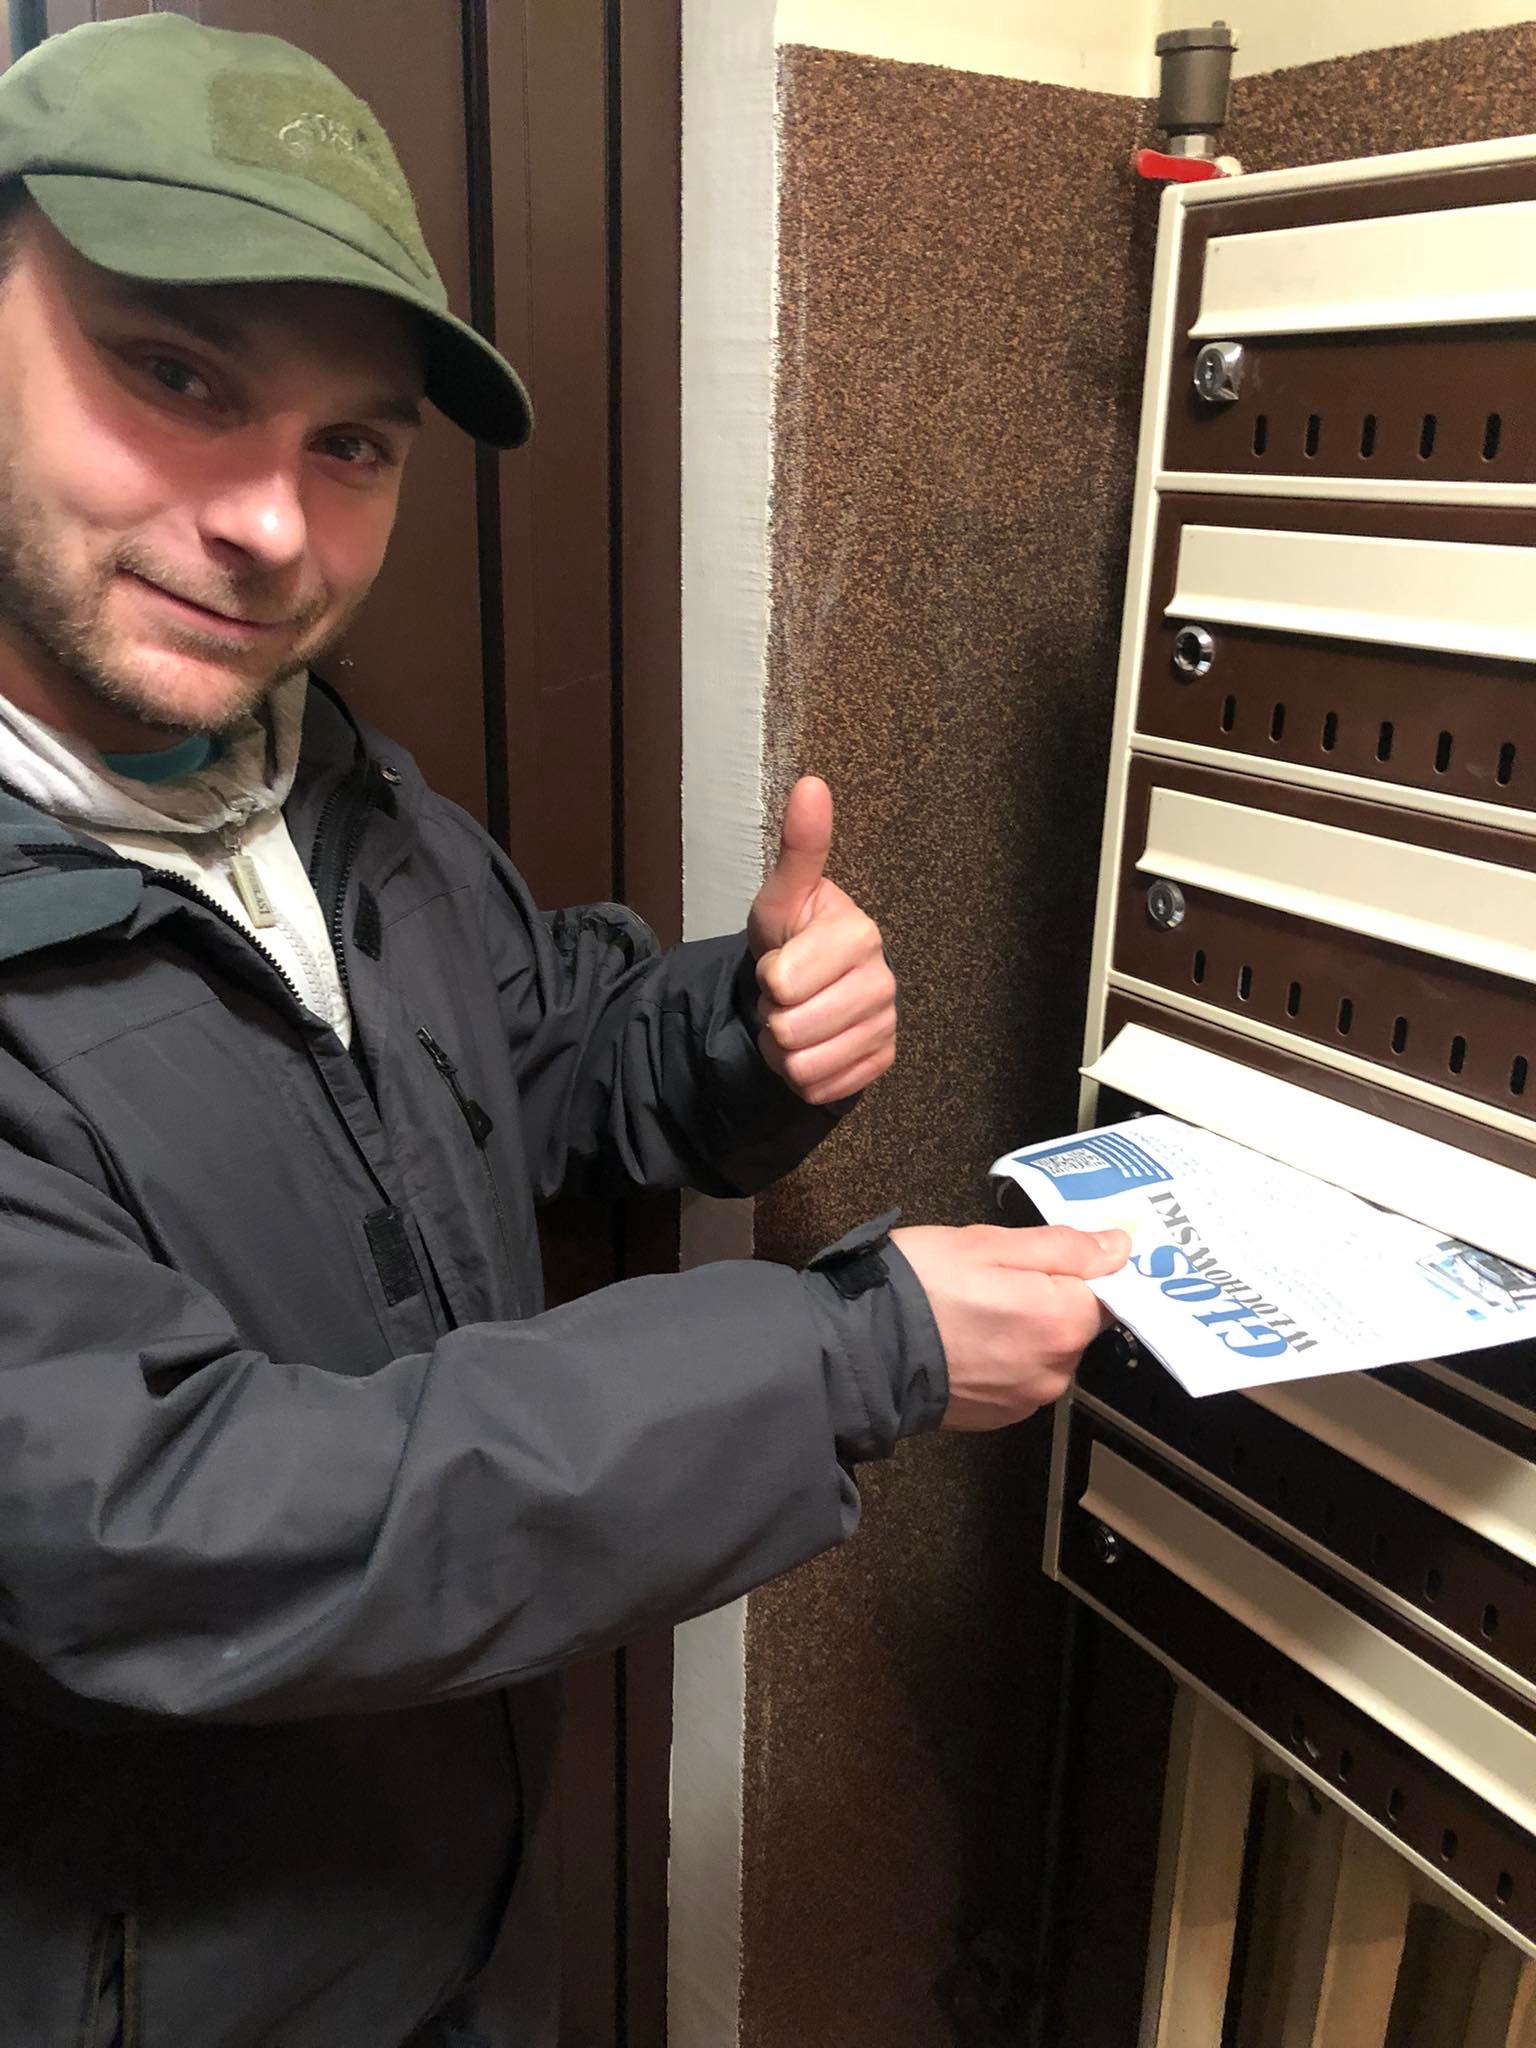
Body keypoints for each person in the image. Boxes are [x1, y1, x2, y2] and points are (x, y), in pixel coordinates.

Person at [0, 17, 1128, 2047]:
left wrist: (742, 1031)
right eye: (175, 376)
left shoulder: (325, 791)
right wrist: (848, 1352)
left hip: (450, 1916)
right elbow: (159, 1521)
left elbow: (533, 1058)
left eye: (352, 445)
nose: (270, 524)